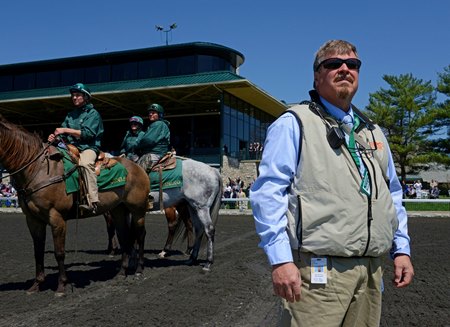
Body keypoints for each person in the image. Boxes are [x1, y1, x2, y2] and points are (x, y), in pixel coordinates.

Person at [250, 40, 414, 326]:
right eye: (333, 64)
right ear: (317, 75)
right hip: (318, 274)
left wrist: (401, 249)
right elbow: (268, 193)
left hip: (371, 272)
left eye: (352, 65)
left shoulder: (374, 132)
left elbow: (393, 196)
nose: (344, 69)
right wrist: (280, 259)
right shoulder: (294, 123)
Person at [48, 83, 104, 214]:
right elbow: (62, 134)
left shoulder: (93, 114)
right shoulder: (71, 114)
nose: (74, 98)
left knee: (85, 164)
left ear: (86, 97)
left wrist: (65, 130)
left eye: (78, 95)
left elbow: (87, 134)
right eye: (73, 95)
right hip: (70, 147)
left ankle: (92, 202)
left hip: (88, 147)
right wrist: (55, 137)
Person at [135, 103, 170, 171]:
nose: (150, 114)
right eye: (150, 113)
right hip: (156, 152)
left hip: (154, 153)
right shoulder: (157, 124)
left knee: (137, 173)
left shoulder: (158, 124)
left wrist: (137, 146)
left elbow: (148, 140)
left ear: (160, 115)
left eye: (153, 113)